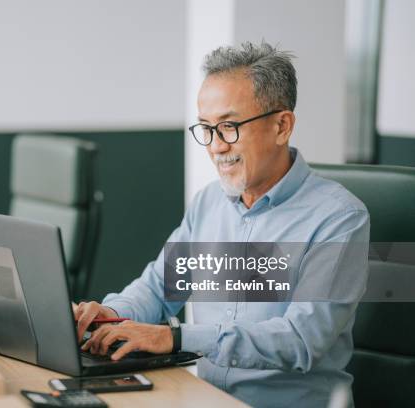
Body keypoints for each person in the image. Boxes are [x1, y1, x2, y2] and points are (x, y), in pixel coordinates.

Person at [74, 41, 370, 408]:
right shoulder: (209, 203)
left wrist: (176, 338)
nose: (215, 146)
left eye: (229, 127)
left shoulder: (338, 218)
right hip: (205, 400)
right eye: (206, 128)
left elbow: (300, 338)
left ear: (282, 126)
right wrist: (111, 316)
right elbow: (156, 289)